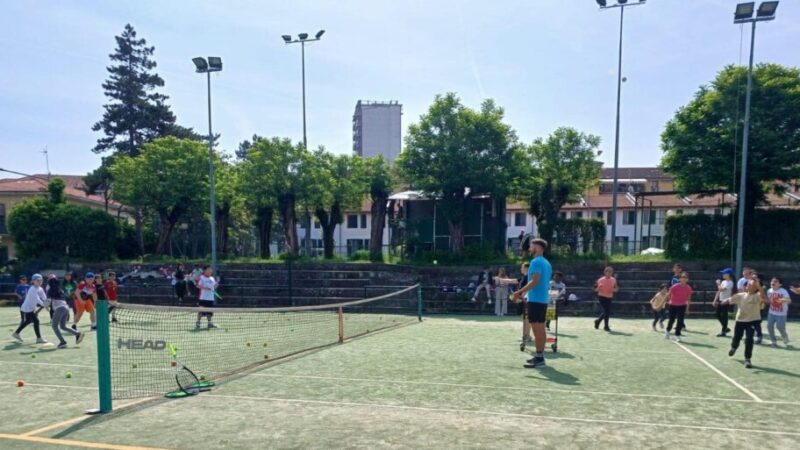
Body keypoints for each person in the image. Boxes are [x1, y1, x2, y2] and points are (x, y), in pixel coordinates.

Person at [512, 237, 552, 369]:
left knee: (537, 329)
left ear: (538, 248)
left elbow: (534, 281)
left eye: (531, 246)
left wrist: (519, 292)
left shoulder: (535, 262)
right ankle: (539, 357)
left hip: (535, 300)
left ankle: (539, 358)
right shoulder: (546, 263)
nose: (530, 248)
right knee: (541, 329)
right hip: (543, 299)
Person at [728, 277, 766, 368]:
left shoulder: (757, 296)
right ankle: (734, 347)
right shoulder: (741, 295)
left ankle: (747, 359)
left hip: (752, 321)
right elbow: (730, 300)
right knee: (737, 337)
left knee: (749, 339)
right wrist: (722, 302)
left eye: (752, 284)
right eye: (748, 283)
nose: (749, 285)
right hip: (740, 320)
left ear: (756, 287)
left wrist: (758, 285)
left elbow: (762, 296)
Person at [46, 277, 85, 349]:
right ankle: (78, 333)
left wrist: (45, 306)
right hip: (66, 308)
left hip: (59, 308)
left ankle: (62, 342)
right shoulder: (60, 289)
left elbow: (47, 301)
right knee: (63, 326)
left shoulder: (50, 290)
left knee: (54, 326)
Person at [11, 273, 48, 344]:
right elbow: (37, 299)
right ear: (33, 281)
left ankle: (16, 333)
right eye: (37, 280)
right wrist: (44, 305)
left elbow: (44, 297)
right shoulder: (32, 289)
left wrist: (47, 302)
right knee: (36, 321)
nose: (40, 282)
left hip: (31, 308)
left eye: (41, 280)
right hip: (27, 308)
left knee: (28, 321)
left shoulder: (40, 288)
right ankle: (39, 338)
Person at [664, 271, 693, 342]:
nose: (684, 279)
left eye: (685, 277)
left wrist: (687, 309)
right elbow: (667, 295)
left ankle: (677, 334)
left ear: (687, 279)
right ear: (680, 279)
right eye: (682, 277)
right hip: (673, 305)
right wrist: (665, 302)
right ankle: (667, 331)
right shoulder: (675, 286)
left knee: (680, 321)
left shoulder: (689, 288)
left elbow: (688, 299)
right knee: (672, 320)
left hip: (682, 306)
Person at [766, 277, 791, 347]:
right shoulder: (769, 291)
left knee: (780, 327)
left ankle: (785, 337)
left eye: (776, 281)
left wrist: (783, 300)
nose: (773, 282)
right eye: (772, 281)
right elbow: (769, 301)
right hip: (771, 312)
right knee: (769, 326)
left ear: (780, 284)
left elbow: (789, 301)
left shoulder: (783, 291)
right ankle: (773, 341)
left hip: (781, 314)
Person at [593, 266, 618, 332]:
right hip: (602, 297)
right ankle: (606, 326)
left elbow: (617, 289)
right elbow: (595, 290)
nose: (609, 273)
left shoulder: (614, 280)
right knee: (607, 310)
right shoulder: (600, 280)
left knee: (607, 311)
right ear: (605, 272)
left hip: (609, 297)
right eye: (608, 271)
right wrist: (599, 287)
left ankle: (598, 321)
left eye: (611, 272)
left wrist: (613, 289)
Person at [712, 268, 735, 337]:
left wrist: (718, 283)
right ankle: (725, 328)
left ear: (729, 275)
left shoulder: (730, 282)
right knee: (717, 314)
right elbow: (718, 291)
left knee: (724, 316)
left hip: (726, 301)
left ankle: (723, 331)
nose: (723, 274)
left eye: (724, 273)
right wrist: (715, 300)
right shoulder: (723, 282)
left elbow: (721, 289)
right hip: (721, 300)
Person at [196, 265, 219, 329]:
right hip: (203, 298)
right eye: (209, 269)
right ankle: (198, 323)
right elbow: (198, 286)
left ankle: (209, 323)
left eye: (210, 269)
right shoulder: (201, 277)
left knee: (210, 312)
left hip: (210, 298)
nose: (210, 271)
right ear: (205, 270)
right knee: (200, 311)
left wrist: (216, 285)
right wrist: (205, 288)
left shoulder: (212, 278)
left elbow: (214, 287)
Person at [516, 262, 532, 344]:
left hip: (524, 300)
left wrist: (520, 298)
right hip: (523, 299)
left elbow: (526, 289)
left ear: (526, 268)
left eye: (522, 267)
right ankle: (527, 335)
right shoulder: (525, 277)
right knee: (526, 318)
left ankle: (526, 336)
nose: (521, 269)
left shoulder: (528, 277)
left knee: (526, 318)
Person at [669, 263, 688, 332]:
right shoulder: (673, 277)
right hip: (673, 297)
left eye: (678, 268)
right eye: (675, 268)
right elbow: (670, 286)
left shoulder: (682, 277)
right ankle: (681, 325)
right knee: (676, 313)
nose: (676, 269)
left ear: (680, 269)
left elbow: (684, 286)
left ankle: (682, 326)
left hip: (680, 297)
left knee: (679, 312)